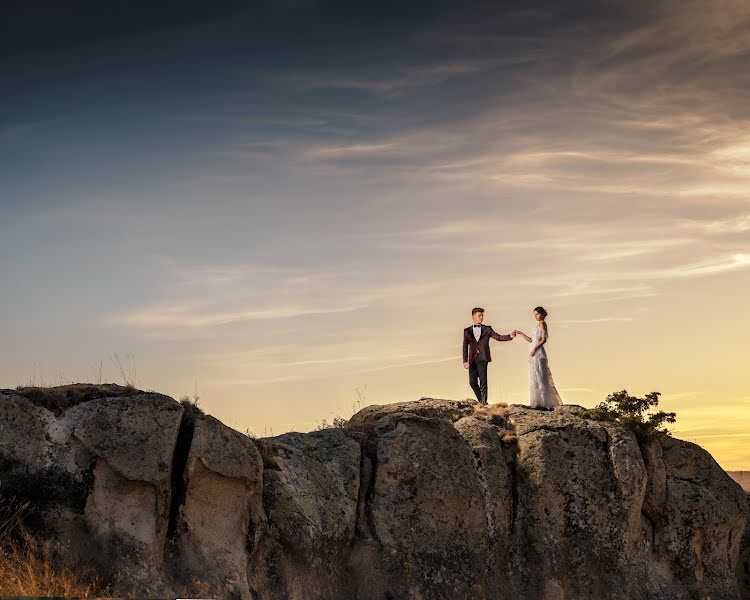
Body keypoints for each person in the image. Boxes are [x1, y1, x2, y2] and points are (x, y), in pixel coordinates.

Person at [513, 306, 563, 410]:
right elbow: (531, 340)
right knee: (535, 376)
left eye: (537, 314)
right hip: (533, 352)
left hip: (538, 352)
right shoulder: (537, 325)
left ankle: (544, 402)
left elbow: (544, 340)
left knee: (540, 376)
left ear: (542, 314)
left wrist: (535, 349)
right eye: (534, 314)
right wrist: (521, 333)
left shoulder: (542, 323)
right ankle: (537, 402)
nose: (535, 316)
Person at [462, 307, 515, 405]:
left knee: (483, 381)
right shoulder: (467, 331)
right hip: (472, 359)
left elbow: (498, 337)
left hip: (483, 358)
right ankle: (481, 400)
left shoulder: (487, 329)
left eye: (482, 315)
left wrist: (510, 336)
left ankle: (483, 402)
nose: (481, 317)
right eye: (479, 315)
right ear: (473, 316)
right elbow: (465, 346)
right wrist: (465, 361)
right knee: (472, 382)